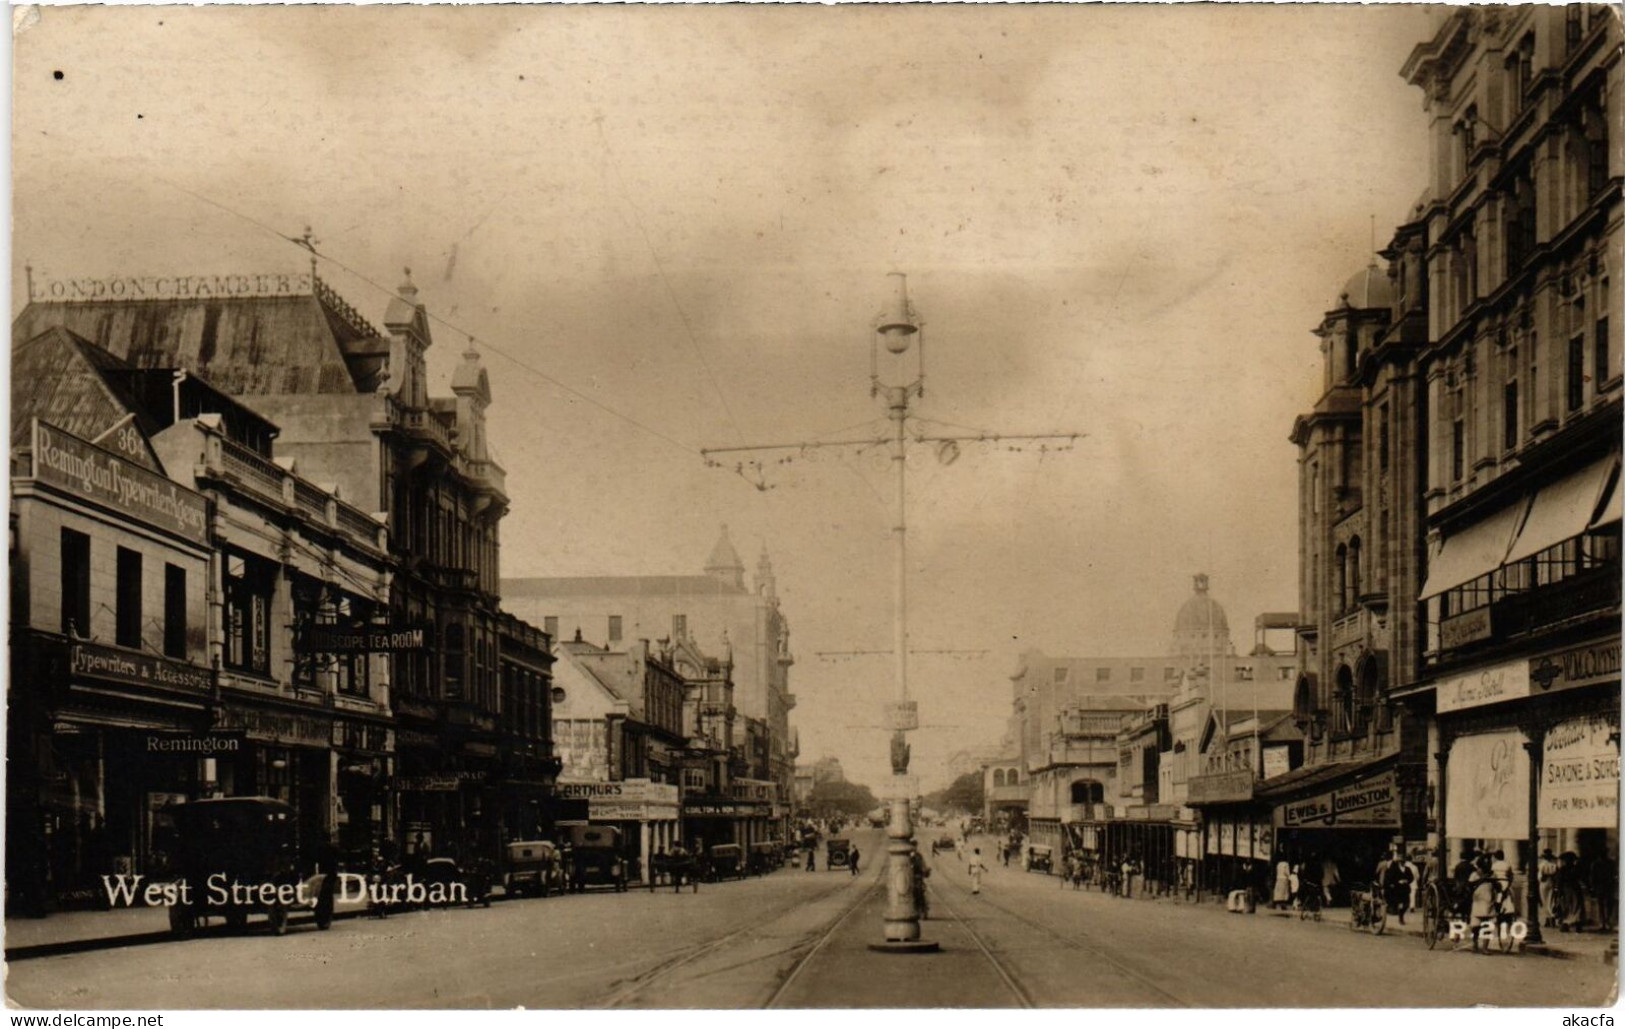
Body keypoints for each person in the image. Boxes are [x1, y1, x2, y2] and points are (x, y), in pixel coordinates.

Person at [1380, 848, 1414, 925]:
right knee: (1399, 903)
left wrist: (1407, 881)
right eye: (1401, 861)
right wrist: (1396, 882)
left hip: (1405, 889)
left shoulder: (1407, 869)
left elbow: (1411, 877)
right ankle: (1400, 917)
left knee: (1406, 904)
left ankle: (1400, 914)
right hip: (1397, 889)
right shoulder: (1394, 868)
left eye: (1403, 861)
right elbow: (1389, 877)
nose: (1402, 862)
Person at [1538, 848, 1559, 928]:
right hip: (1551, 882)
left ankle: (1547, 919)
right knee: (1551, 900)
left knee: (1544, 900)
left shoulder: (1542, 865)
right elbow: (1556, 875)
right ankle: (1551, 919)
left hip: (1544, 882)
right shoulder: (1554, 865)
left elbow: (1540, 876)